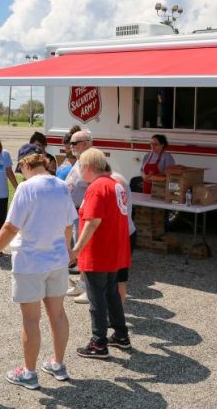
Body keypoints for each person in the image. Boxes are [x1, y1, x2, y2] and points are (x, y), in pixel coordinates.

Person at [0, 144, 76, 390]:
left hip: (30, 261)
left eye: (20, 169)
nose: (20, 174)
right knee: (58, 314)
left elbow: (10, 227)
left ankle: (29, 373)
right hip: (56, 259)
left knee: (31, 319)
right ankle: (58, 364)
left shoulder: (26, 188)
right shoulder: (61, 185)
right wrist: (68, 249)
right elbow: (69, 223)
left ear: (26, 164)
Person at [70, 148, 131, 359]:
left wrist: (76, 249)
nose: (79, 171)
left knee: (97, 298)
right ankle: (121, 335)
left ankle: (98, 342)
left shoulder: (97, 187)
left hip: (99, 250)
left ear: (88, 167)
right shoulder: (115, 185)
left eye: (80, 166)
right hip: (114, 249)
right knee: (112, 293)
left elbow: (93, 221)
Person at [64, 130, 93, 303]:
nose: (71, 146)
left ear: (85, 143)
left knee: (84, 248)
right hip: (74, 211)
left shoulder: (90, 161)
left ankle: (89, 288)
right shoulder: (80, 160)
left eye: (74, 143)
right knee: (80, 249)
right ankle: (83, 283)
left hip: (83, 212)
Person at [111, 171, 137, 305]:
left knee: (116, 278)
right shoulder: (114, 178)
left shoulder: (115, 181)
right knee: (117, 278)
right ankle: (116, 314)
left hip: (122, 236)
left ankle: (116, 313)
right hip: (125, 234)